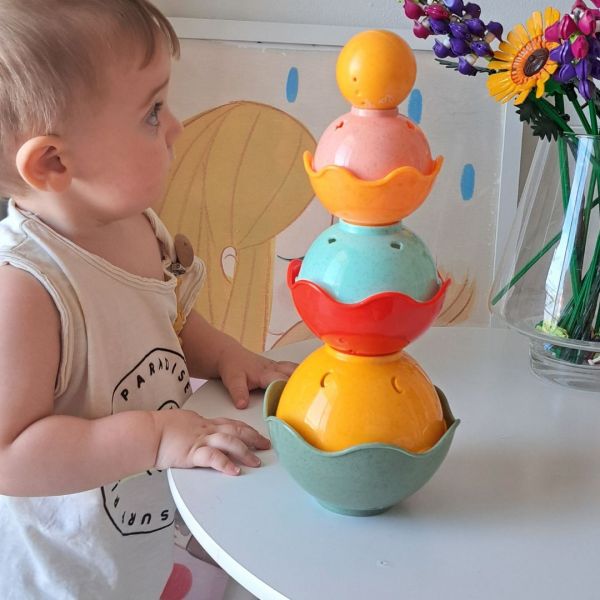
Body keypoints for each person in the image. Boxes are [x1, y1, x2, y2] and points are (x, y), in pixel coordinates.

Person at [0, 1, 296, 597]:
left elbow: (169, 316)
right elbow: (10, 455)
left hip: (139, 544)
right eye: (152, 112)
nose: (176, 126)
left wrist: (226, 354)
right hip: (66, 577)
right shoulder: (27, 287)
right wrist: (155, 437)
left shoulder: (136, 225)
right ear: (55, 162)